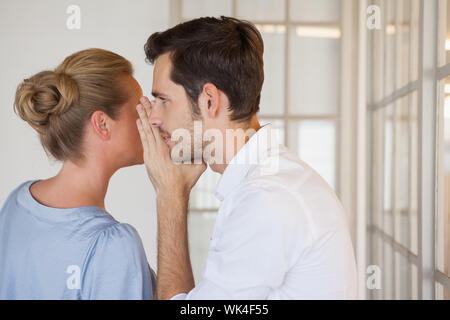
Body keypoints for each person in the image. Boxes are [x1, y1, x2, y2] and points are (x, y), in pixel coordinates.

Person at [136, 16, 358, 300]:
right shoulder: (268, 182)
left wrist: (170, 197)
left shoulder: (266, 199)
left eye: (163, 100)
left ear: (209, 101)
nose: (153, 118)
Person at [0, 48, 156, 299]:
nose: (152, 118)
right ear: (102, 124)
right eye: (140, 108)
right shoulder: (113, 246)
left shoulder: (17, 202)